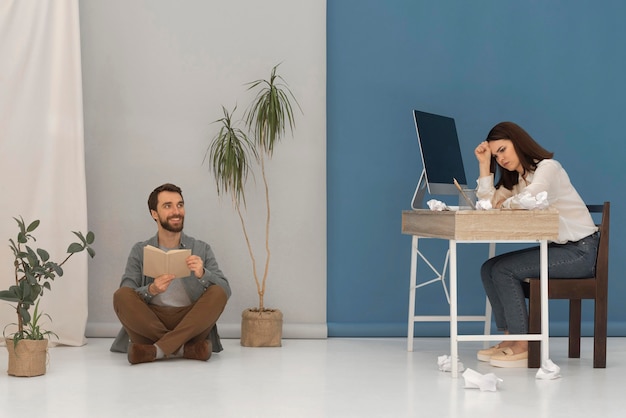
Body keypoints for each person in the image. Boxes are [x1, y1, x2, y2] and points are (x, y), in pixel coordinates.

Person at [474, 122, 598, 368]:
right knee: (489, 267)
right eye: (496, 155)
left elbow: (532, 198)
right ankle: (511, 339)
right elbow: (487, 205)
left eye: (503, 150)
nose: (501, 158)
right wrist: (483, 164)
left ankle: (524, 344)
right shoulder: (517, 180)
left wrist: (507, 204)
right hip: (559, 249)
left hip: (581, 252)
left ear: (517, 143)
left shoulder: (548, 167)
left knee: (503, 270)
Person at [110, 183, 231, 364]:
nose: (176, 211)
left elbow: (225, 291)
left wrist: (203, 274)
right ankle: (183, 348)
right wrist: (151, 289)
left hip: (190, 321)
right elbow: (127, 291)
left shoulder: (201, 248)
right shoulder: (140, 250)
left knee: (218, 292)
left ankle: (157, 349)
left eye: (180, 205)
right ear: (154, 214)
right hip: (151, 320)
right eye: (168, 206)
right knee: (121, 296)